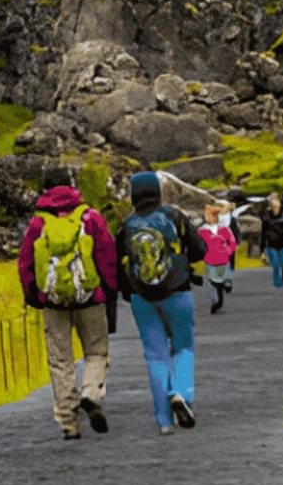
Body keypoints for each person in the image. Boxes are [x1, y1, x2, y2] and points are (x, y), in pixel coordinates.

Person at [17, 168, 118, 440]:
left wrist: (35, 296)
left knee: (60, 360)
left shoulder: (38, 224)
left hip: (54, 302)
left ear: (44, 190)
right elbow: (106, 254)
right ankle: (91, 393)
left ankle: (69, 422)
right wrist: (108, 290)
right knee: (96, 352)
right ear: (71, 186)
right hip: (90, 297)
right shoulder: (90, 217)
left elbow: (25, 262)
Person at [117, 171, 208, 434]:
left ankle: (164, 421)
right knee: (183, 347)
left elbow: (118, 263)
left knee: (155, 356)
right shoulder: (174, 216)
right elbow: (201, 249)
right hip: (178, 292)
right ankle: (181, 394)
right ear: (158, 190)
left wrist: (126, 291)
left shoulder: (127, 224)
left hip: (141, 298)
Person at [200, 203, 238, 314]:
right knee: (213, 281)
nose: (208, 218)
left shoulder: (224, 230)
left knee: (223, 280)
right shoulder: (202, 231)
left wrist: (228, 252)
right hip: (211, 259)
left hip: (222, 258)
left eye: (209, 216)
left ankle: (226, 285)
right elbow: (197, 244)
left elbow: (232, 243)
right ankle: (215, 301)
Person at [259, 193, 283, 289]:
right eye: (272, 203)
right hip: (271, 244)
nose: (274, 205)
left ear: (279, 203)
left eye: (275, 203)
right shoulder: (266, 216)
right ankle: (278, 283)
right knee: (276, 265)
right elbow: (263, 232)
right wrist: (262, 248)